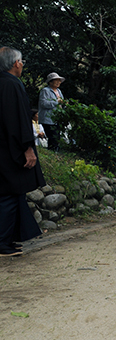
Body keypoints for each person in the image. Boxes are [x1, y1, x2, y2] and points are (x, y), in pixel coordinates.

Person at [0, 47, 45, 256]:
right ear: (16, 63)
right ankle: (2, 242)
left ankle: (9, 239)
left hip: (4, 146)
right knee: (8, 195)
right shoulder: (11, 85)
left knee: (12, 194)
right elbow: (17, 119)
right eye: (22, 62)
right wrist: (28, 148)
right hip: (10, 150)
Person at [38, 72, 65, 150]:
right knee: (52, 136)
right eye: (56, 81)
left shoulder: (59, 91)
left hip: (56, 118)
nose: (58, 82)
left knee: (57, 137)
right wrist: (57, 102)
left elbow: (61, 101)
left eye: (59, 81)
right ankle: (52, 151)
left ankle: (55, 151)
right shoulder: (45, 91)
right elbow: (44, 104)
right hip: (48, 118)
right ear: (50, 82)